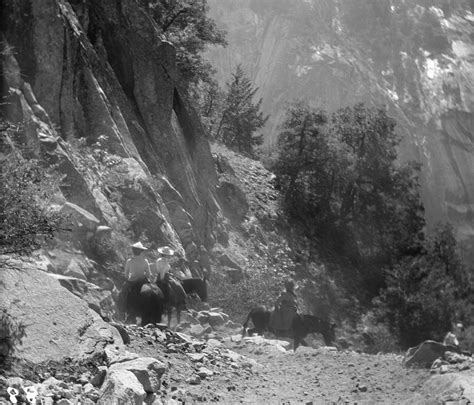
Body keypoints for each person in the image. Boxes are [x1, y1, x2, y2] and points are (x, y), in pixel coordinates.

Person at [122, 242, 153, 312]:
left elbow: (126, 275)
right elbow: (148, 275)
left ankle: (124, 310)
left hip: (132, 281)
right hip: (143, 281)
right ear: (141, 251)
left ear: (133, 251)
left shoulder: (129, 261)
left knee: (123, 293)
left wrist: (128, 278)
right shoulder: (145, 261)